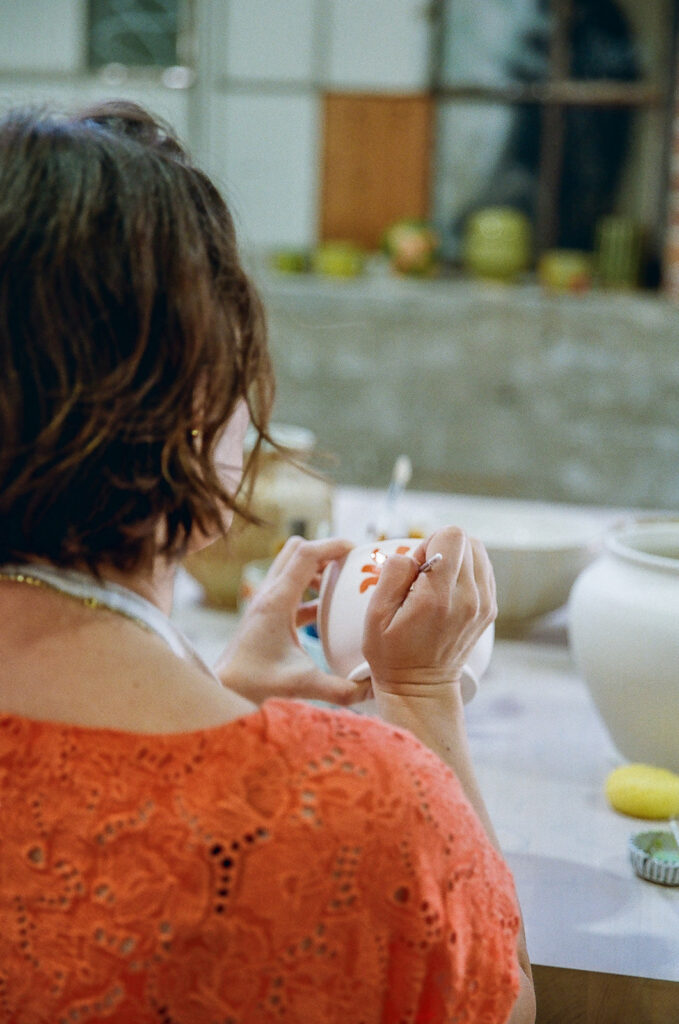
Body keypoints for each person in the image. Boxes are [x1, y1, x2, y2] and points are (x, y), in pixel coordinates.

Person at [0, 102, 535, 1023]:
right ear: (196, 396)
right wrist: (419, 697)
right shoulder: (362, 812)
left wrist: (207, 694)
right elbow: (495, 1007)